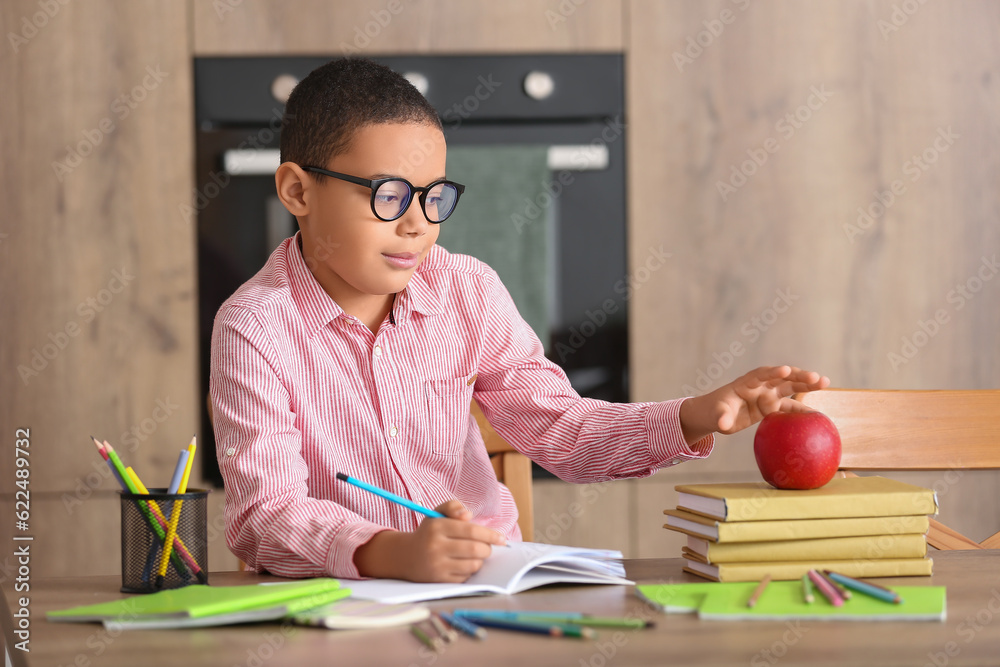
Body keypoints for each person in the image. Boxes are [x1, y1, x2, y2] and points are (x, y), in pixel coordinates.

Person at [210, 58, 830, 584]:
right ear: (297, 191)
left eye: (434, 197)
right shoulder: (255, 328)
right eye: (389, 195)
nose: (417, 224)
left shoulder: (467, 291)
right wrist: (389, 551)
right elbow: (266, 515)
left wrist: (696, 413)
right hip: (344, 614)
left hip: (489, 589)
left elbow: (563, 432)